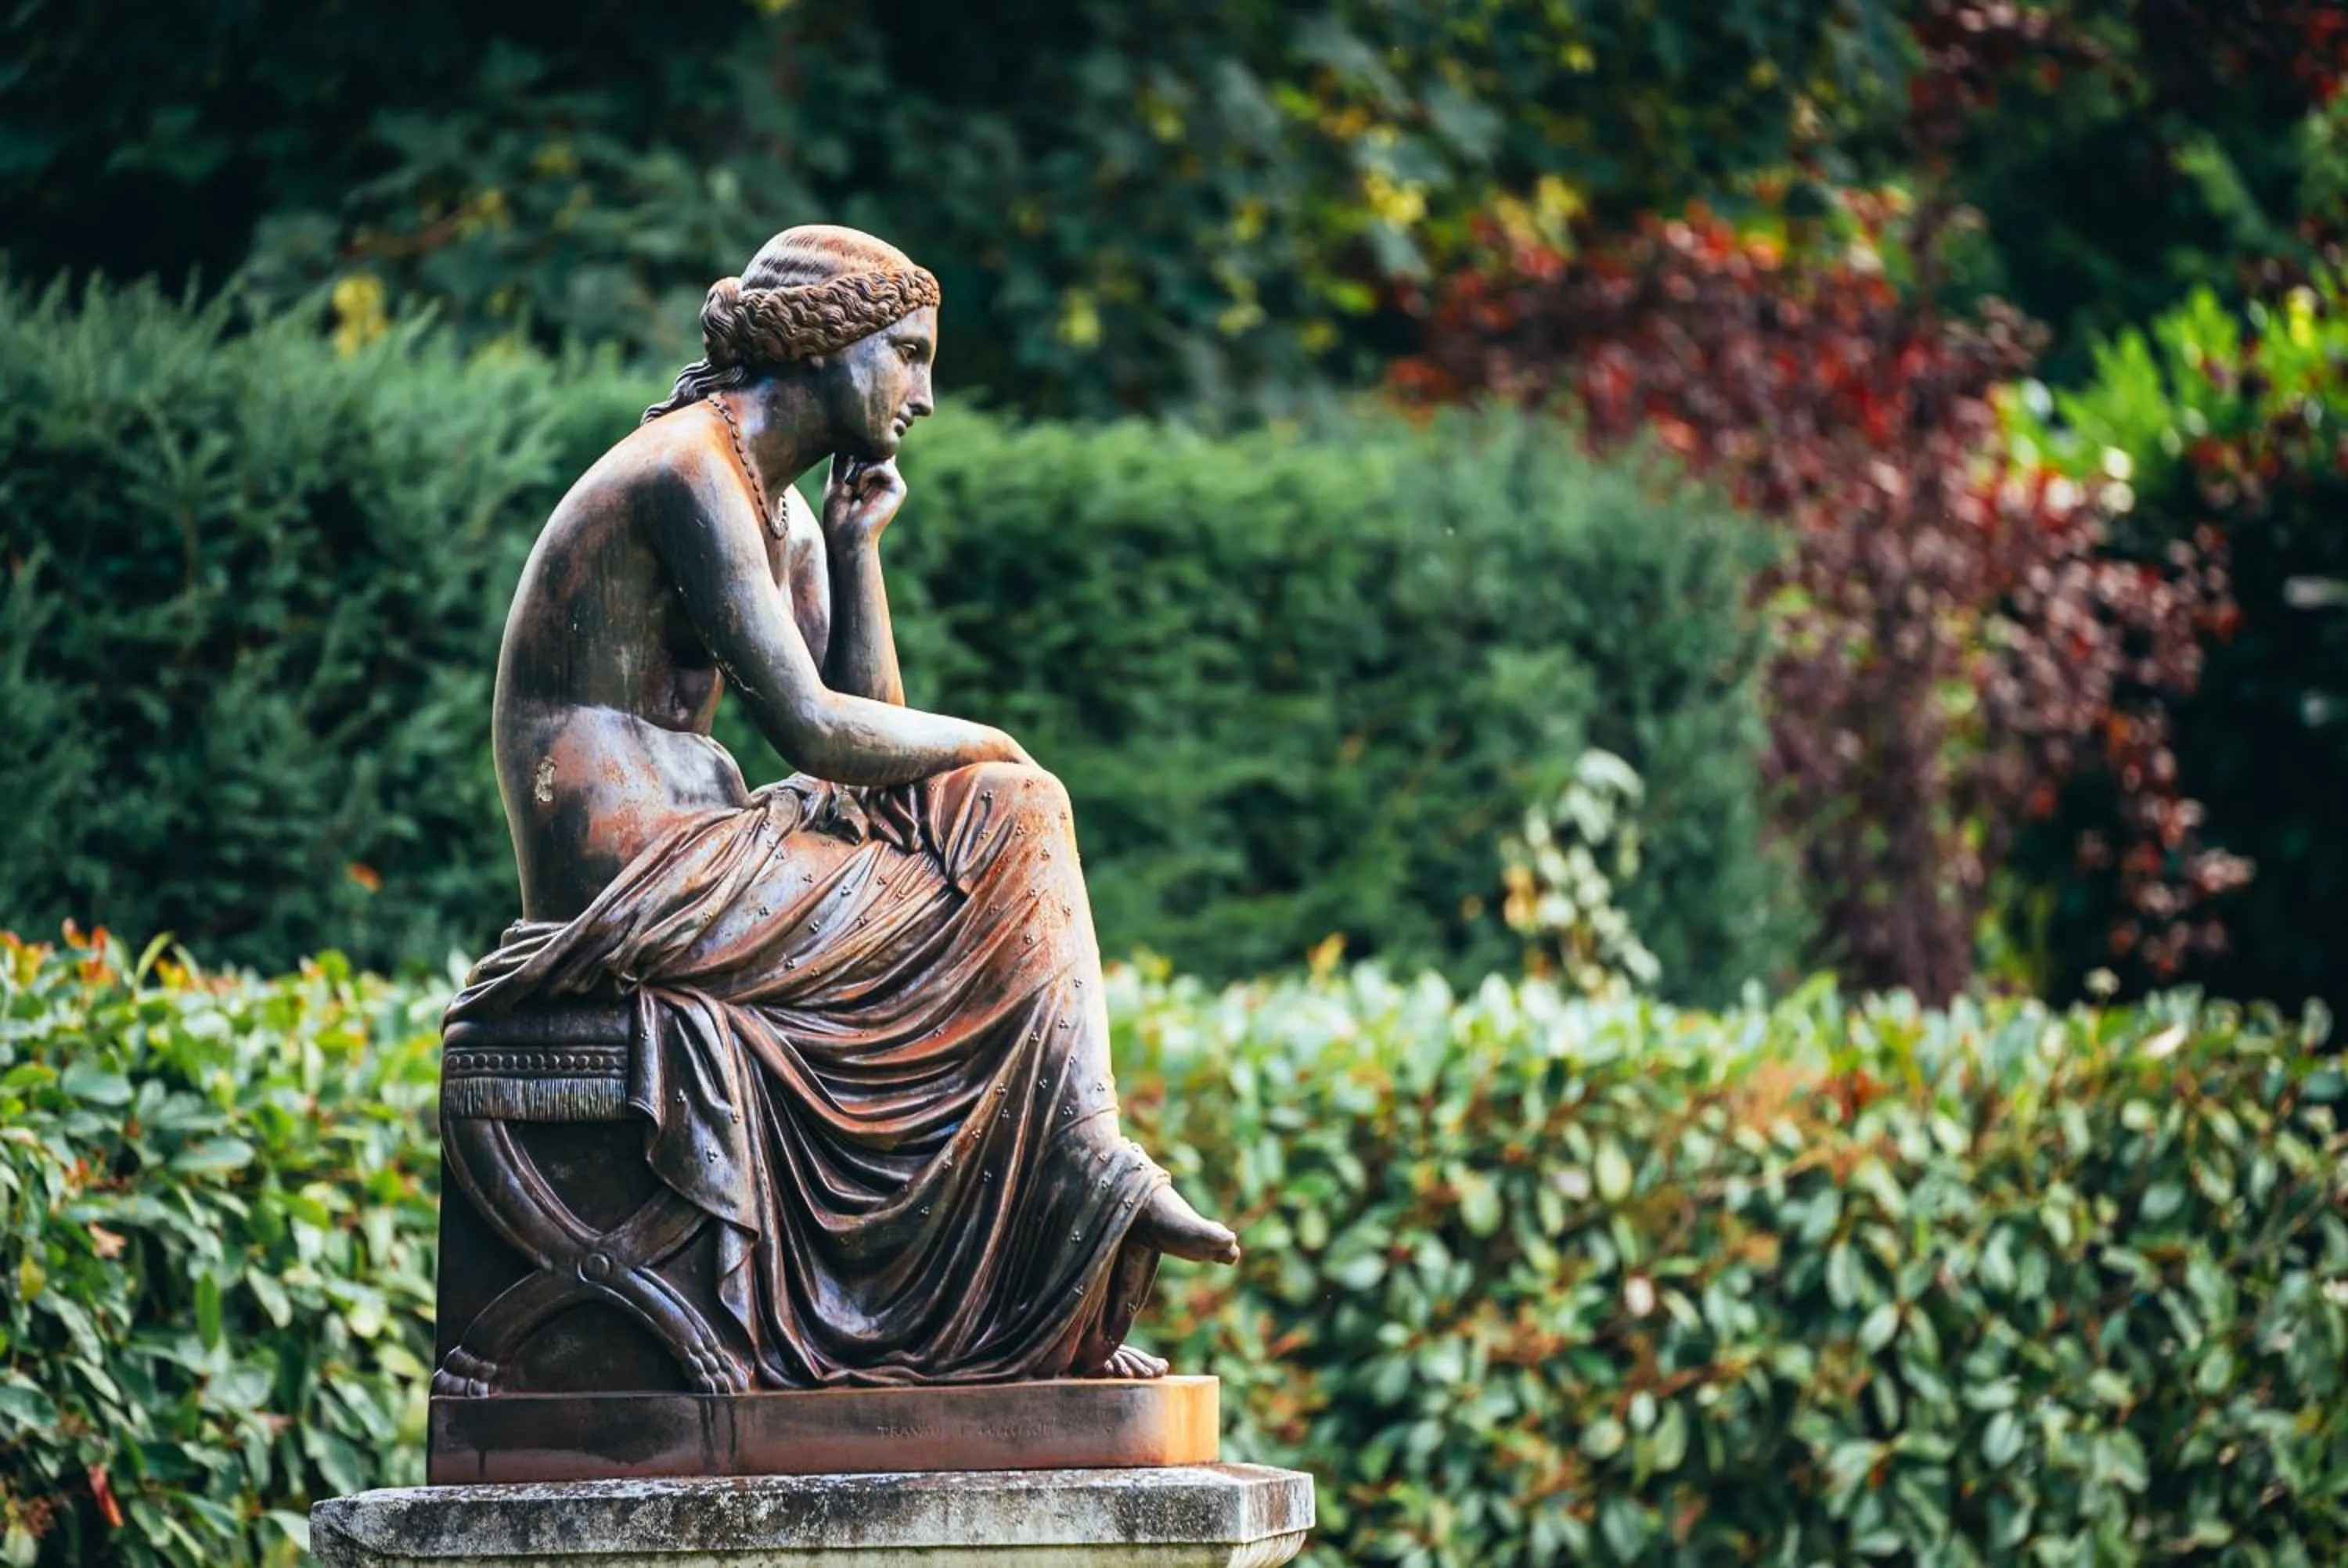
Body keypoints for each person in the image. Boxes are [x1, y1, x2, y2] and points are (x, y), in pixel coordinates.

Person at [452, 225, 1238, 1388]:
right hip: (625, 867)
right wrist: (997, 746)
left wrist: (857, 546)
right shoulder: (687, 470)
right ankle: (1058, 1218)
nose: (925, 395)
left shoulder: (778, 508)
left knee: (997, 823)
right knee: (1010, 815)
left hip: (705, 846)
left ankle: (1036, 1256)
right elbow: (816, 733)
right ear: (823, 346)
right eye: (908, 355)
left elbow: (872, 743)